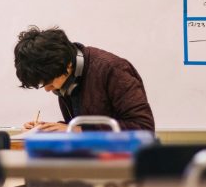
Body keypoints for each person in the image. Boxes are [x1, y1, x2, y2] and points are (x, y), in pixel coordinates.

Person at [14, 26, 155, 132]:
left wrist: (78, 131)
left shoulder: (113, 69)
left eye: (49, 82)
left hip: (123, 165)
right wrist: (48, 129)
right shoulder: (67, 79)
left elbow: (144, 128)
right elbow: (85, 124)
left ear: (67, 65)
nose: (47, 89)